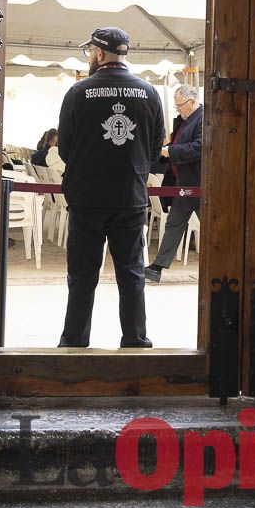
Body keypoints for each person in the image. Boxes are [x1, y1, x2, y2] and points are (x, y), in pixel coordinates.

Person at [56, 27, 165, 349]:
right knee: (131, 274)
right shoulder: (149, 93)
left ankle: (74, 341)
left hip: (87, 197)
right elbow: (156, 147)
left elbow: (65, 149)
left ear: (99, 53)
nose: (89, 56)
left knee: (82, 275)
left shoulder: (78, 93)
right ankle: (135, 339)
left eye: (89, 51)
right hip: (129, 197)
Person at [145, 85, 202, 282]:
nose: (178, 110)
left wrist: (170, 152)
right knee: (174, 224)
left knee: (212, 228)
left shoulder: (203, 118)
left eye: (180, 106)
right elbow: (177, 144)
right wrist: (164, 151)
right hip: (183, 183)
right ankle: (157, 267)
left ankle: (227, 261)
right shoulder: (185, 120)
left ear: (192, 102)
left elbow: (200, 147)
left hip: (198, 184)